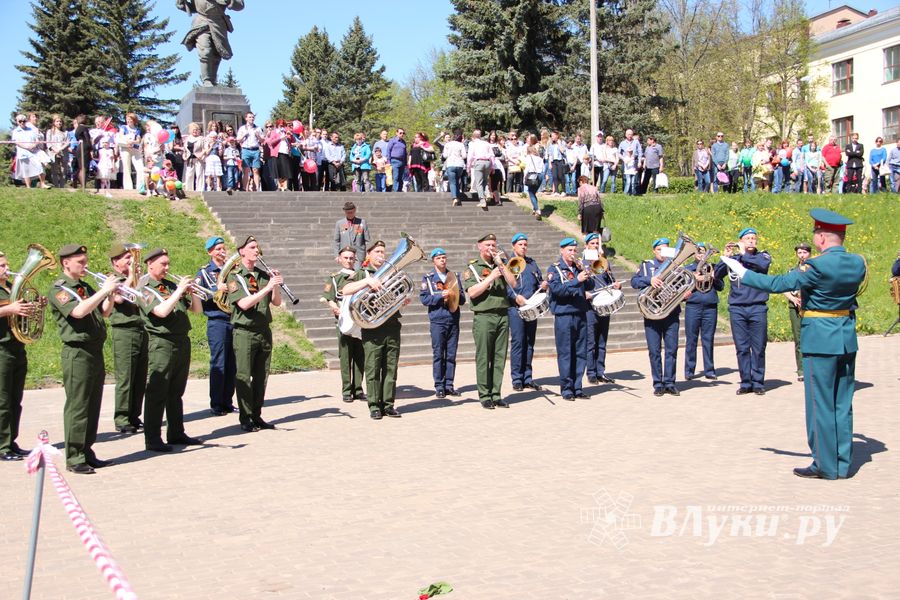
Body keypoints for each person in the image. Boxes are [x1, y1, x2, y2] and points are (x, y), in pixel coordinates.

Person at [720, 209, 866, 479]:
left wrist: (741, 271)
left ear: (821, 238)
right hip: (846, 337)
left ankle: (825, 465)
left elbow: (778, 283)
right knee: (842, 404)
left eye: (816, 234)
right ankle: (843, 463)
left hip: (819, 339)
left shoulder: (817, 267)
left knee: (819, 404)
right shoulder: (858, 263)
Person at [48, 244, 119, 473]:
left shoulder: (84, 286)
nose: (85, 265)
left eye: (85, 260)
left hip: (94, 350)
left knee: (93, 404)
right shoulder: (59, 289)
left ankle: (87, 451)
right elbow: (78, 312)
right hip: (77, 352)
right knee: (78, 405)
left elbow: (104, 312)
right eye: (80, 262)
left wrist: (110, 295)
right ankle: (74, 457)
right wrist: (103, 291)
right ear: (66, 263)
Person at [139, 248, 204, 452]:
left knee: (176, 391)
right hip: (162, 342)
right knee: (157, 391)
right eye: (163, 264)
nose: (167, 268)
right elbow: (161, 311)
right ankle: (152, 439)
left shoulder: (169, 285)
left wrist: (193, 293)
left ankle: (176, 432)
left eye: (168, 263)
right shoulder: (144, 288)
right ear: (150, 264)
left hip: (181, 340)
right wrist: (179, 291)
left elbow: (197, 310)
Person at [341, 241, 405, 419]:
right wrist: (367, 282)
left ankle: (388, 404)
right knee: (373, 368)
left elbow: (401, 293)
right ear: (368, 255)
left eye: (383, 252)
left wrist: (403, 300)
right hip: (372, 328)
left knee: (391, 368)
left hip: (391, 326)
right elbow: (345, 289)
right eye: (377, 251)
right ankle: (374, 405)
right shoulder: (362, 273)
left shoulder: (392, 272)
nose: (381, 255)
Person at [226, 236, 282, 431]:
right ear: (242, 251)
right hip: (245, 332)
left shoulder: (262, 274)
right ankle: (245, 417)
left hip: (263, 330)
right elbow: (244, 304)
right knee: (244, 376)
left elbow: (276, 302)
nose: (256, 251)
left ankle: (257, 415)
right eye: (252, 247)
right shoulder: (235, 276)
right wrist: (267, 288)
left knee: (261, 376)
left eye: (257, 247)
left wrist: (275, 285)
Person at [463, 234, 518, 409]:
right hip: (484, 316)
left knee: (499, 357)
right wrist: (491, 277)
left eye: (493, 245)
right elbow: (472, 293)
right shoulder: (473, 267)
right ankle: (485, 395)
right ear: (479, 246)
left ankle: (496, 394)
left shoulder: (500, 264)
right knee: (484, 356)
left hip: (502, 314)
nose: (491, 248)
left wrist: (501, 264)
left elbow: (513, 284)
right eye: (487, 245)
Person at [714, 227, 771, 395]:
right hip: (737, 308)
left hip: (757, 307)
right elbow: (717, 275)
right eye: (747, 238)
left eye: (753, 238)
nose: (751, 240)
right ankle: (746, 382)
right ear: (741, 241)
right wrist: (725, 257)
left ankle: (758, 382)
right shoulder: (734, 260)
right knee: (742, 347)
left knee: (758, 347)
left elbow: (763, 266)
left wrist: (743, 253)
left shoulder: (762, 256)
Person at [630, 238, 683, 396]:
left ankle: (670, 382)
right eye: (659, 249)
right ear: (654, 251)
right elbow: (634, 281)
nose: (662, 253)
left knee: (671, 349)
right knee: (654, 351)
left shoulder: (676, 267)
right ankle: (658, 383)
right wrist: (649, 280)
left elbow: (682, 285)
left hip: (671, 313)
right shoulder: (647, 266)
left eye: (665, 249)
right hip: (651, 313)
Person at [107, 244, 147, 435]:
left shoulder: (137, 278)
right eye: (126, 258)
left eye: (131, 257)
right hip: (124, 331)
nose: (131, 261)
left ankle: (134, 415)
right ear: (116, 262)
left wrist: (139, 279)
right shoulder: (111, 279)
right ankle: (122, 418)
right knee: (126, 377)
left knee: (140, 376)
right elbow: (119, 299)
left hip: (141, 328)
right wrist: (131, 277)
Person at [547, 238, 594, 400]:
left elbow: (590, 286)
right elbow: (557, 290)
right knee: (566, 352)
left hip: (580, 313)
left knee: (581, 352)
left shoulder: (577, 268)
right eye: (570, 250)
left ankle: (577, 387)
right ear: (562, 250)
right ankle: (567, 388)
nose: (573, 253)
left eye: (574, 250)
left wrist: (586, 274)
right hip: (564, 315)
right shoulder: (555, 269)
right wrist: (577, 280)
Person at [196, 236, 236, 416]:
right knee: (219, 362)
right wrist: (217, 289)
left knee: (232, 363)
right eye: (218, 249)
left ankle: (228, 401)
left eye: (223, 248)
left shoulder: (232, 270)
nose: (222, 251)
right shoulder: (204, 272)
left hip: (233, 319)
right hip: (217, 321)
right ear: (210, 252)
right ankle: (216, 403)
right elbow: (200, 294)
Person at [321, 246, 365, 403]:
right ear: (339, 259)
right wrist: (334, 307)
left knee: (360, 356)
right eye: (345, 258)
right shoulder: (335, 278)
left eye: (351, 258)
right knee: (345, 357)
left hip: (360, 321)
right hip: (343, 321)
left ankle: (358, 389)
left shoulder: (362, 275)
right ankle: (347, 390)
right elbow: (329, 298)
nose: (349, 260)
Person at [420, 248, 466, 398]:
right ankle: (439, 386)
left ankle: (449, 385)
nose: (442, 260)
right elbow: (424, 299)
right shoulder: (428, 278)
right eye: (439, 258)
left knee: (451, 354)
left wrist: (455, 294)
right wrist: (440, 296)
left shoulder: (454, 276)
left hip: (453, 318)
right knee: (439, 354)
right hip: (438, 320)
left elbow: (463, 299)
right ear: (433, 260)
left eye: (444, 257)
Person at [0, 251, 32, 461]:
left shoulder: (12, 287)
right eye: (2, 265)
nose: (7, 268)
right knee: (2, 400)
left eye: (6, 264)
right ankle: (2, 446)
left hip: (16, 347)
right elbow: (11, 309)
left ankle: (11, 441)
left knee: (15, 399)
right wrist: (10, 309)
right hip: (1, 349)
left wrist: (34, 306)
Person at [506, 233, 546, 392]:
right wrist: (515, 297)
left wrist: (543, 286)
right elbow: (506, 286)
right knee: (518, 342)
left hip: (531, 307)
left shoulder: (531, 263)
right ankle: (517, 378)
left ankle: (527, 378)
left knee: (529, 343)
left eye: (525, 244)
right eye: (520, 244)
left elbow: (538, 281)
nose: (523, 247)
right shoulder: (509, 263)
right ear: (513, 246)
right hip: (515, 309)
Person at [176, 0, 245, 87]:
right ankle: (207, 80)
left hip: (218, 24)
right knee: (205, 51)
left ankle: (212, 80)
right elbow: (192, 7)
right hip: (201, 23)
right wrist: (182, 4)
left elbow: (240, 5)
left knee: (217, 53)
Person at [683, 242, 723, 381]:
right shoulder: (688, 269)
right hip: (693, 306)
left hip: (710, 307)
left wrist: (714, 277)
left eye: (704, 252)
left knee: (708, 339)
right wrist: (693, 279)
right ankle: (689, 370)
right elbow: (682, 290)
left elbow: (721, 287)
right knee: (691, 339)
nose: (701, 255)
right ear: (694, 254)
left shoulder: (713, 267)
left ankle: (709, 370)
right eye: (699, 252)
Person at [583, 234, 620, 385]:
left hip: (604, 305)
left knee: (602, 341)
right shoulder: (582, 262)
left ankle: (600, 372)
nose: (595, 246)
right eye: (592, 243)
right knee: (591, 341)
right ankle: (591, 373)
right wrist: (584, 292)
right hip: (590, 307)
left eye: (597, 243)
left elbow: (611, 280)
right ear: (586, 245)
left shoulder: (604, 262)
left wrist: (616, 285)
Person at [784, 242, 812, 382]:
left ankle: (813, 368)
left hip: (811, 307)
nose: (802, 255)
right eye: (799, 253)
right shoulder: (792, 271)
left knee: (812, 338)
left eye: (805, 252)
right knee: (799, 339)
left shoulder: (813, 270)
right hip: (795, 307)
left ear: (810, 254)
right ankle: (801, 370)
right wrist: (793, 299)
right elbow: (784, 287)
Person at [332, 201, 370, 268]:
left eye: (351, 212)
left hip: (358, 255)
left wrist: (368, 254)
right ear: (345, 212)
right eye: (348, 213)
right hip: (346, 255)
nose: (350, 214)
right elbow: (336, 241)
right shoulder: (339, 223)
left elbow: (367, 240)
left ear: (355, 210)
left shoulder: (362, 222)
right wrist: (337, 255)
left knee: (358, 272)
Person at [11, 114, 45, 189]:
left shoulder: (31, 130)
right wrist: (26, 147)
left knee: (39, 166)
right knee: (26, 171)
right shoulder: (16, 131)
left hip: (33, 152)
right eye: (20, 121)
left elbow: (37, 140)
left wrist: (33, 145)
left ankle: (43, 184)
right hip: (23, 153)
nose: (22, 122)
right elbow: (16, 142)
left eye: (24, 121)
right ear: (17, 122)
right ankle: (28, 187)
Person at [467, 129, 494, 210]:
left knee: (478, 183)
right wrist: (492, 166)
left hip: (479, 162)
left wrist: (468, 167)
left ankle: (482, 201)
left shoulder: (473, 144)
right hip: (488, 162)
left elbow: (470, 156)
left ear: (473, 136)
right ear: (480, 136)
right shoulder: (486, 143)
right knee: (485, 180)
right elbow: (492, 155)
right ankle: (487, 193)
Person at [441, 129, 467, 206]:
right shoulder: (461, 144)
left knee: (452, 182)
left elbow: (445, 155)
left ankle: (455, 198)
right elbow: (464, 156)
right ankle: (458, 197)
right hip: (460, 165)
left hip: (450, 164)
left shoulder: (448, 144)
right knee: (457, 181)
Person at [522, 141, 544, 219]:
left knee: (531, 193)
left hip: (532, 175)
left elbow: (527, 169)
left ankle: (537, 210)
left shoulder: (528, 158)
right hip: (540, 175)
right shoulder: (540, 158)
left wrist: (524, 178)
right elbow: (542, 168)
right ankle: (534, 209)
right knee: (533, 193)